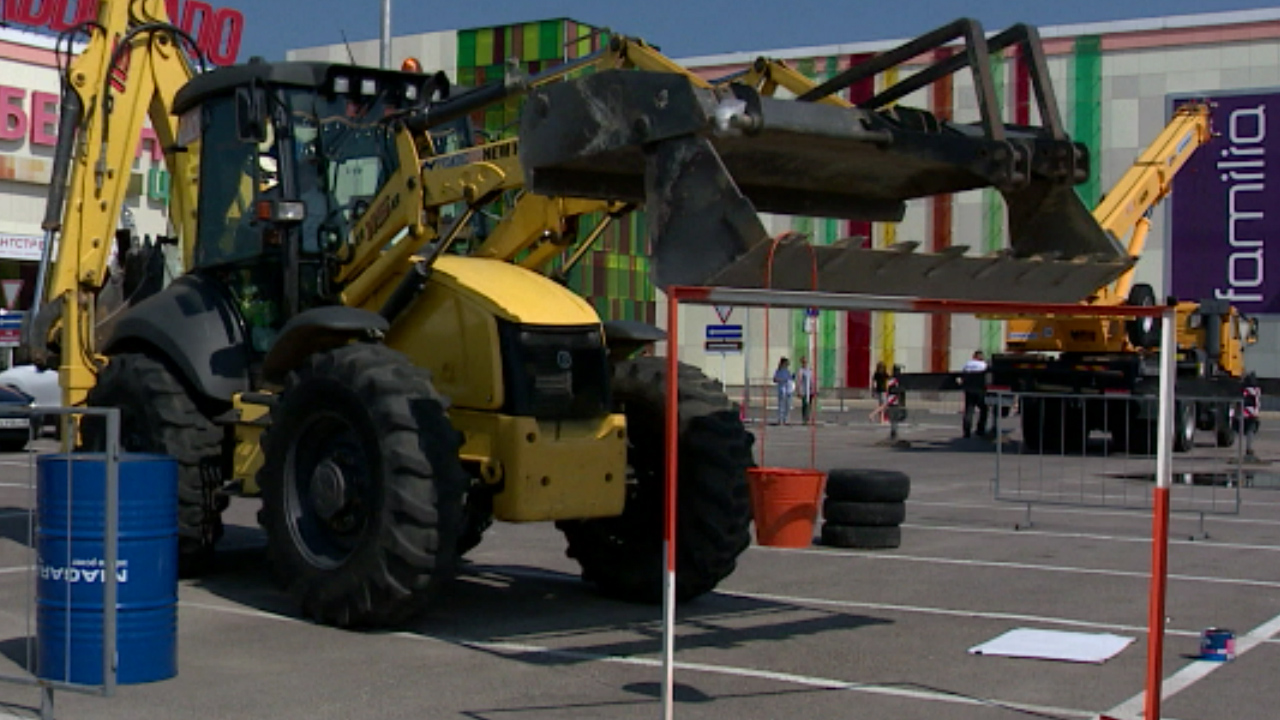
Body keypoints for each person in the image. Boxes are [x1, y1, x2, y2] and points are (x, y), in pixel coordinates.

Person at [961, 350, 989, 439]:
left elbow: (963, 374)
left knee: (969, 410)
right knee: (984, 409)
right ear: (980, 357)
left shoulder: (967, 364)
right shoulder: (983, 365)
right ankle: (980, 429)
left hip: (969, 389)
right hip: (980, 390)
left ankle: (966, 431)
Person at [1242, 372, 1262, 462]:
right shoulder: (1257, 390)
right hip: (1253, 415)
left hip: (1246, 414)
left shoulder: (1246, 390)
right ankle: (1249, 449)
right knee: (1251, 431)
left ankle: (1249, 449)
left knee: (1249, 431)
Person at [773, 357, 794, 425]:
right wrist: (781, 380)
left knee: (788, 405)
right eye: (786, 363)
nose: (787, 365)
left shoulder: (787, 371)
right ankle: (780, 419)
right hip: (782, 390)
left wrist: (792, 377)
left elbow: (790, 379)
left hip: (788, 390)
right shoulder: (778, 371)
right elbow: (775, 379)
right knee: (781, 405)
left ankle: (786, 419)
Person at [797, 357, 816, 425]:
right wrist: (799, 390)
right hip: (804, 390)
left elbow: (813, 380)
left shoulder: (810, 370)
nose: (805, 363)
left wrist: (814, 389)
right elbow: (799, 381)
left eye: (806, 362)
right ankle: (804, 419)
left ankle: (808, 418)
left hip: (810, 390)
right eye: (804, 362)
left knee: (809, 404)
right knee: (805, 404)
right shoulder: (800, 370)